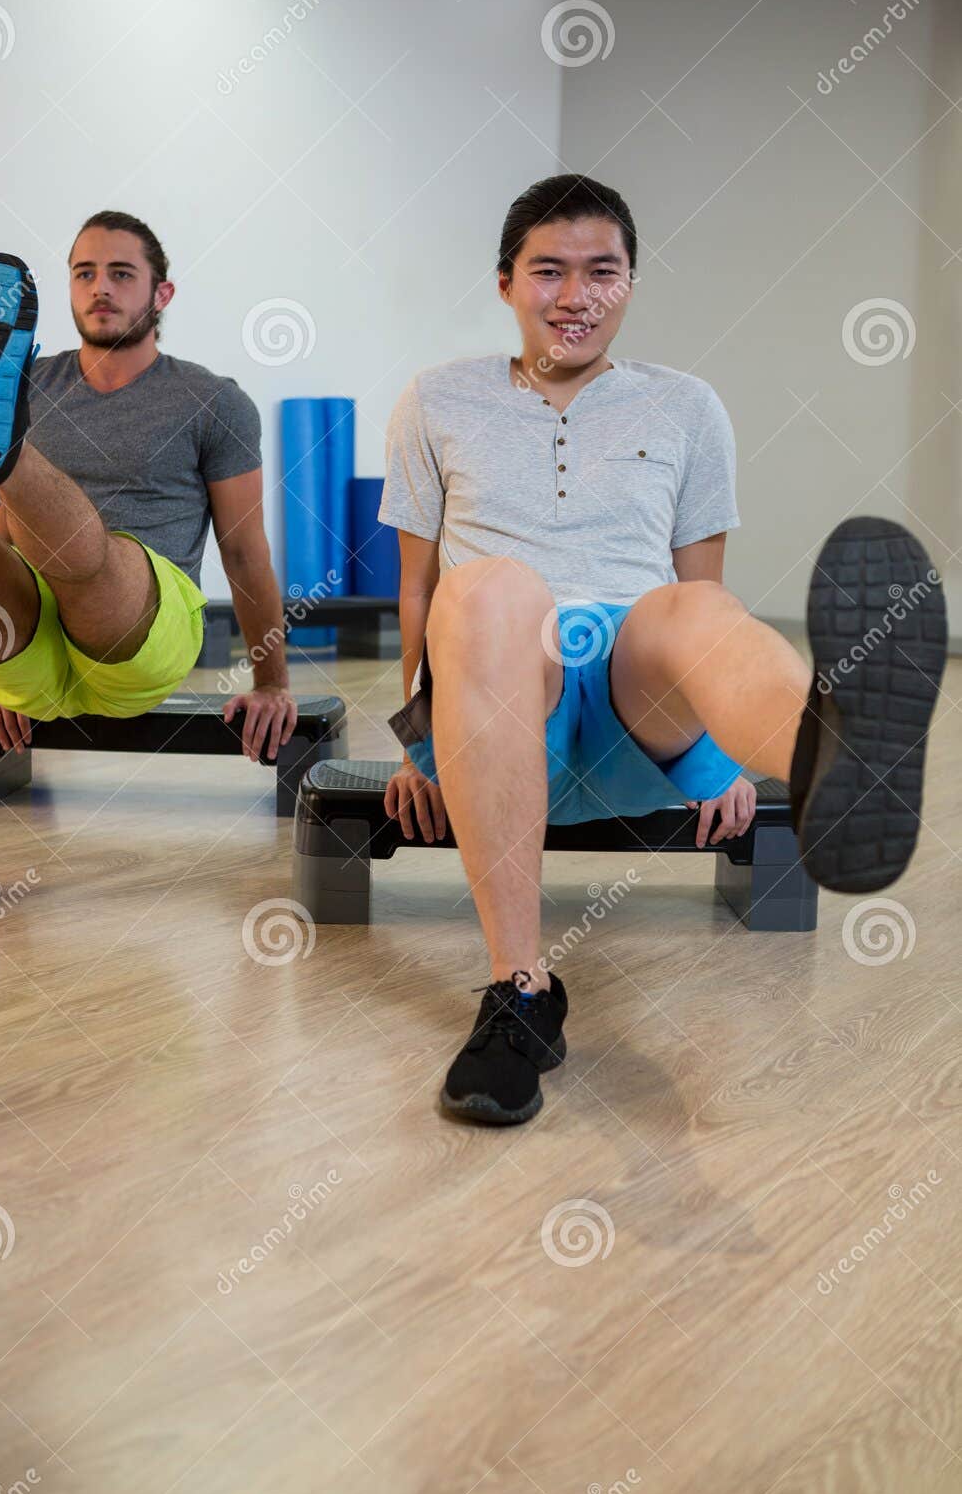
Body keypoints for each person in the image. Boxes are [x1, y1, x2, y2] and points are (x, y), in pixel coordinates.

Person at [378, 173, 947, 1128]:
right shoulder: (436, 400)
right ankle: (520, 994)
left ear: (631, 283)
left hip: (645, 717)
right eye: (549, 271)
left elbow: (705, 594)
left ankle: (818, 756)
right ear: (507, 284)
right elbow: (418, 590)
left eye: (602, 271)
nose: (576, 295)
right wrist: (414, 743)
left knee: (681, 610)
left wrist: (723, 746)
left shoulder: (687, 407)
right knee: (490, 587)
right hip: (497, 688)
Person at [0, 210, 298, 927]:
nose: (100, 288)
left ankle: (4, 455)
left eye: (121, 273)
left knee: (97, 555)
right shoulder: (35, 381)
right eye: (84, 273)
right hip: (38, 634)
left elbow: (244, 549)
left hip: (143, 628)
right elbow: (1, 540)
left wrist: (270, 680)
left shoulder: (213, 401)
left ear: (161, 295)